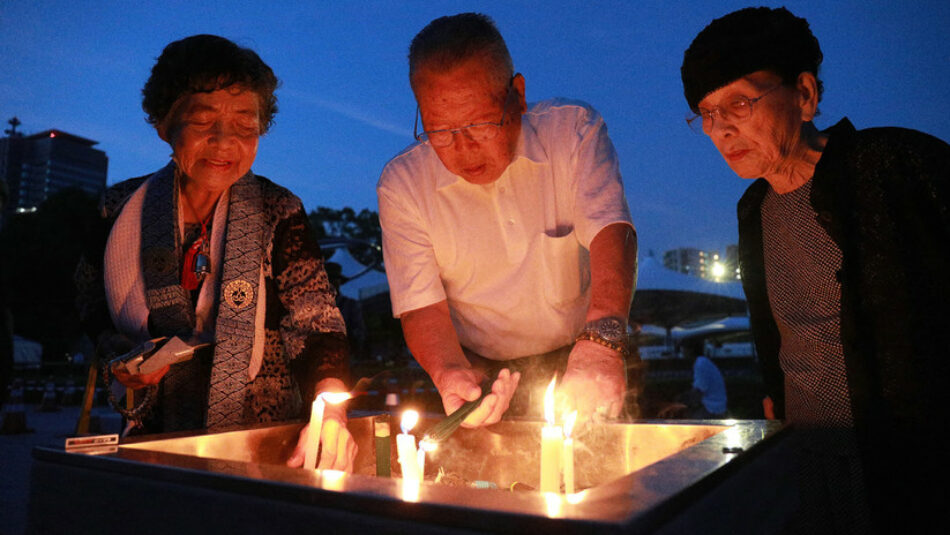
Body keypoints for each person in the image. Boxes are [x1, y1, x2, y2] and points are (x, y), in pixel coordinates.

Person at [681, 7, 949, 533]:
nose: (721, 128)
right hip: (809, 460)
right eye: (706, 113)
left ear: (804, 95)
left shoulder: (894, 165)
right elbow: (776, 331)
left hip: (910, 464)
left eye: (738, 101)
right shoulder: (754, 208)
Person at [74, 35, 355, 470]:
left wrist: (331, 408)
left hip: (266, 443)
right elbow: (90, 303)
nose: (225, 142)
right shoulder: (118, 208)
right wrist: (121, 355)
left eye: (246, 125)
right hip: (154, 440)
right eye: (204, 122)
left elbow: (316, 324)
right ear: (165, 125)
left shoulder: (278, 210)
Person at [377, 13, 637, 426]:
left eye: (479, 125)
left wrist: (602, 342)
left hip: (585, 347)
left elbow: (612, 231)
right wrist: (449, 372)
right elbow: (420, 305)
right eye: (439, 132)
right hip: (479, 369)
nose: (462, 150)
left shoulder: (573, 132)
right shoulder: (403, 184)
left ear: (517, 94)